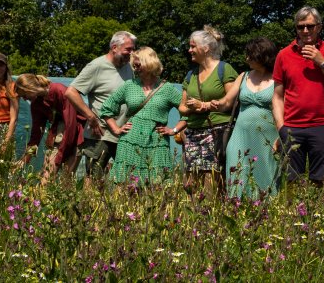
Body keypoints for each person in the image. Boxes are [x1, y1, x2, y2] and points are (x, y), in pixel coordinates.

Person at [272, 6, 324, 186]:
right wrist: (281, 127)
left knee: (320, 181)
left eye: (310, 26)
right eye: (300, 26)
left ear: (319, 27)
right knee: (291, 182)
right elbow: (277, 96)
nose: (305, 31)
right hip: (291, 127)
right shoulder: (283, 54)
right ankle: (292, 214)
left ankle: (318, 214)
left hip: (321, 125)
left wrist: (321, 61)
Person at [99, 47, 183, 185]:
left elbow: (187, 113)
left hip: (157, 140)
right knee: (125, 183)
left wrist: (174, 130)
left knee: (158, 183)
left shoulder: (167, 89)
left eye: (138, 65)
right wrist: (116, 129)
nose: (135, 68)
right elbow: (107, 108)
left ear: (149, 63)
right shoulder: (129, 86)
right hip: (130, 139)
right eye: (134, 65)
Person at [64, 31, 137, 181]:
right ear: (114, 47)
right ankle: (88, 204)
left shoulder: (128, 67)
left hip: (124, 132)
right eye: (128, 49)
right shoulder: (97, 66)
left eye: (132, 49)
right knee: (93, 176)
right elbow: (71, 92)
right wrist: (90, 116)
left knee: (127, 177)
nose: (131, 53)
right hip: (101, 133)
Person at [177, 26, 239, 194]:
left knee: (212, 180)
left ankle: (212, 215)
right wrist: (192, 109)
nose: (189, 50)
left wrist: (204, 105)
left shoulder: (224, 70)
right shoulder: (191, 75)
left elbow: (232, 102)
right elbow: (182, 107)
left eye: (192, 46)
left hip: (217, 131)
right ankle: (193, 216)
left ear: (206, 48)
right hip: (193, 133)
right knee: (190, 182)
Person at [221, 37, 282, 199]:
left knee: (266, 172)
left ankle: (268, 211)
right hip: (240, 136)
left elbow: (285, 107)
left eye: (250, 55)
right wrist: (209, 104)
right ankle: (237, 207)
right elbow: (227, 101)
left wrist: (282, 135)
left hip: (267, 138)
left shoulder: (278, 79)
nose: (246, 58)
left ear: (262, 57)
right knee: (237, 169)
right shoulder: (243, 76)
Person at [14, 74, 83, 184]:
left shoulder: (58, 90)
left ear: (30, 87)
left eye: (24, 95)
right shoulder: (36, 104)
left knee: (67, 181)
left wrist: (60, 157)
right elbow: (36, 135)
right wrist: (25, 159)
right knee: (45, 179)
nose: (24, 99)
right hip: (58, 136)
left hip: (76, 136)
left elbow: (71, 125)